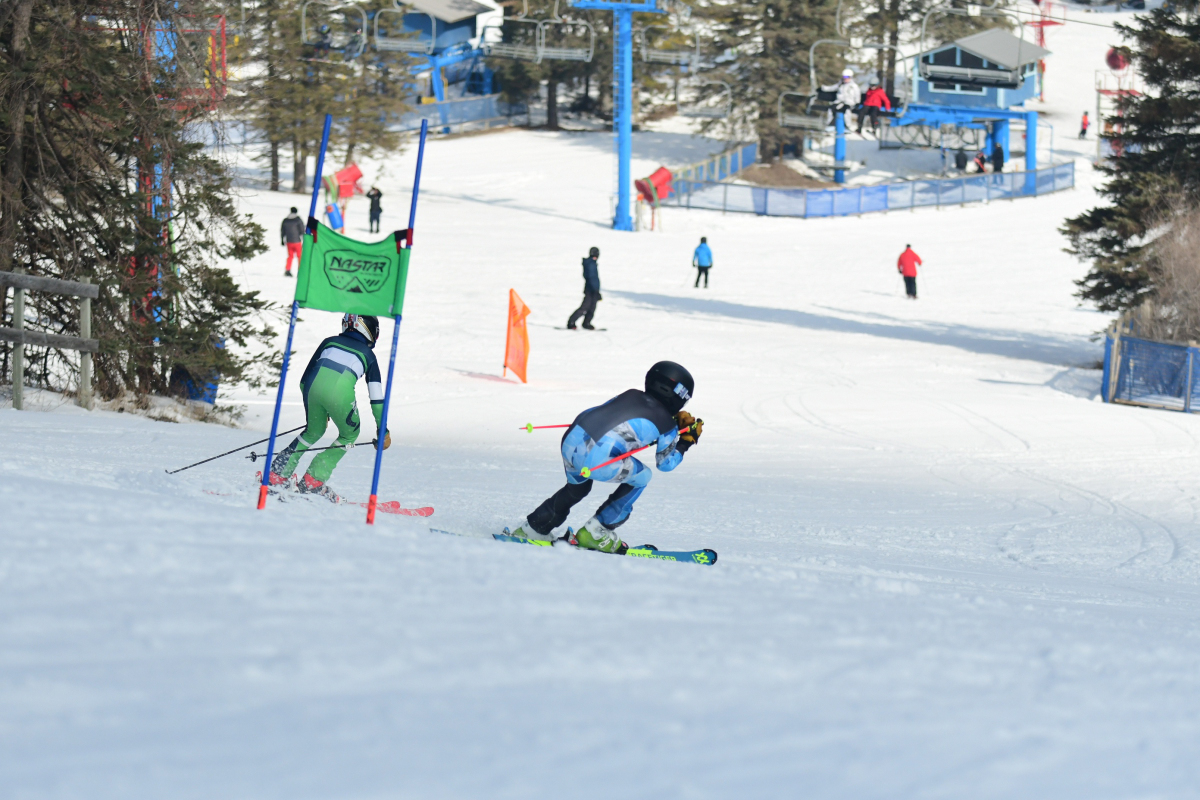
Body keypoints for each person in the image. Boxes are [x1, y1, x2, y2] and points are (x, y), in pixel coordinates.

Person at [506, 361, 703, 552]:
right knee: (643, 476)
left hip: (572, 440)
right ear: (679, 396)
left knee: (577, 489)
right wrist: (686, 441)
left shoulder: (630, 394)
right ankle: (597, 531)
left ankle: (534, 528)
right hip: (597, 457)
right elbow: (666, 464)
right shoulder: (667, 426)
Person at [268, 314, 391, 502]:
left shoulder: (329, 342)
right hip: (339, 393)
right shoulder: (369, 355)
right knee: (349, 435)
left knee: (313, 431)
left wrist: (318, 408)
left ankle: (277, 475)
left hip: (311, 388)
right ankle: (313, 481)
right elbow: (376, 399)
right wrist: (383, 430)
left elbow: (304, 381)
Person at [567, 246, 601, 330]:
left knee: (592, 308)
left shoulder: (592, 263)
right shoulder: (590, 263)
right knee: (585, 307)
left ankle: (586, 323)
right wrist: (595, 290)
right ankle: (571, 322)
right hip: (590, 289)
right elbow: (591, 277)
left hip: (594, 289)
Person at [281, 207, 305, 278]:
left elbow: (282, 231)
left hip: (289, 241)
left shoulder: (285, 220)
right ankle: (300, 270)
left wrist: (282, 239)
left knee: (290, 256)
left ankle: (288, 270)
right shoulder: (298, 220)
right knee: (299, 256)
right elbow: (302, 230)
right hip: (297, 241)